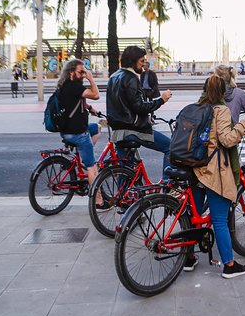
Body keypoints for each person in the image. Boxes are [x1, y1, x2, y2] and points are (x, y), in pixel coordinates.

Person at [185, 75, 245, 278]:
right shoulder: (221, 110)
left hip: (194, 168)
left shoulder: (196, 108)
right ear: (223, 93)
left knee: (194, 217)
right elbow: (226, 140)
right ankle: (229, 264)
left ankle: (189, 258)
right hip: (212, 171)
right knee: (219, 220)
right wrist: (244, 125)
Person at [107, 46, 173, 179]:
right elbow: (139, 107)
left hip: (117, 131)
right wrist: (161, 100)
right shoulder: (131, 78)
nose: (143, 64)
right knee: (170, 148)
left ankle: (122, 197)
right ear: (133, 61)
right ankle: (166, 188)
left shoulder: (114, 77)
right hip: (134, 130)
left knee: (125, 170)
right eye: (141, 61)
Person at [57, 59, 101, 201]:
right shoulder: (75, 87)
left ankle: (85, 154)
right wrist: (91, 79)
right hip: (78, 133)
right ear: (71, 73)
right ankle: (98, 201)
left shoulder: (64, 86)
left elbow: (76, 101)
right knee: (92, 167)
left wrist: (89, 109)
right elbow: (96, 95)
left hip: (66, 131)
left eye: (84, 72)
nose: (83, 74)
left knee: (97, 128)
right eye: (80, 72)